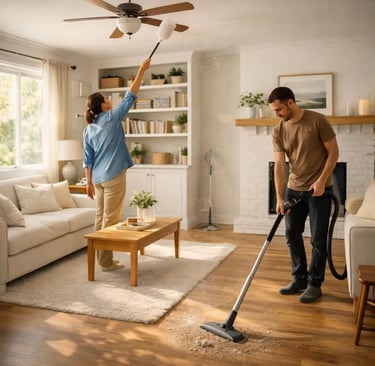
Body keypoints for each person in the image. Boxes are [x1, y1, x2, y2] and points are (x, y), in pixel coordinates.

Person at [268, 86, 339, 303]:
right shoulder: (278, 130)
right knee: (292, 236)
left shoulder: (318, 120)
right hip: (294, 188)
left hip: (319, 190)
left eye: (279, 109)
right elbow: (280, 165)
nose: (276, 114)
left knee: (318, 239)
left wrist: (321, 181)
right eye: (274, 110)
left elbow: (334, 152)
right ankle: (299, 278)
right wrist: (280, 198)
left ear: (290, 102)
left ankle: (314, 283)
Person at [83, 58, 151, 272]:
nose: (110, 101)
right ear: (104, 105)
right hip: (113, 178)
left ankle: (99, 259)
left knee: (101, 217)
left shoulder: (89, 129)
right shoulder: (112, 118)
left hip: (98, 180)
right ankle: (105, 263)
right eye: (107, 99)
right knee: (110, 220)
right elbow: (131, 94)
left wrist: (88, 183)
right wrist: (141, 70)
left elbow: (88, 159)